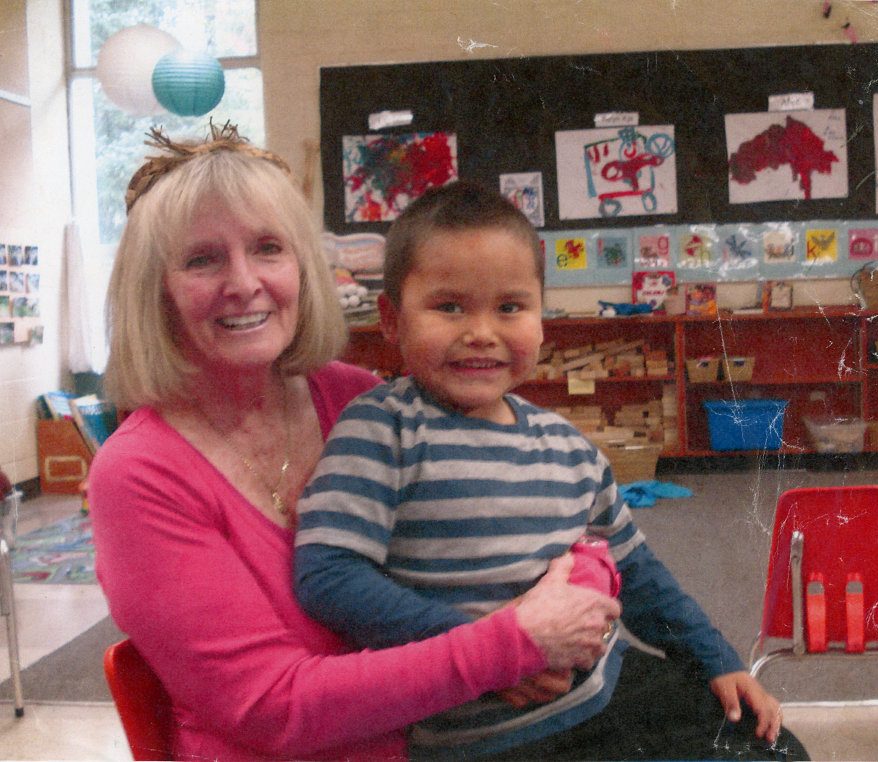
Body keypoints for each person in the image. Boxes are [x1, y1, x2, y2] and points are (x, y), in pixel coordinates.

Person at [86, 124, 622, 762]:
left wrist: (581, 579)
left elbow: (528, 516)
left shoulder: (354, 397)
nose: (243, 282)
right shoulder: (138, 473)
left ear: (303, 268)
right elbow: (272, 708)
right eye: (202, 259)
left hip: (454, 737)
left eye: (267, 248)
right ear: (159, 291)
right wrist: (508, 647)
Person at [294, 181, 808, 761]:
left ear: (542, 318)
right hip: (488, 731)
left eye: (510, 307)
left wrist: (717, 658)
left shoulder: (567, 446)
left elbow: (635, 570)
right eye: (449, 306)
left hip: (606, 687)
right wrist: (488, 651)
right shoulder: (382, 428)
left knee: (771, 748)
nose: (482, 331)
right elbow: (329, 574)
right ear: (391, 320)